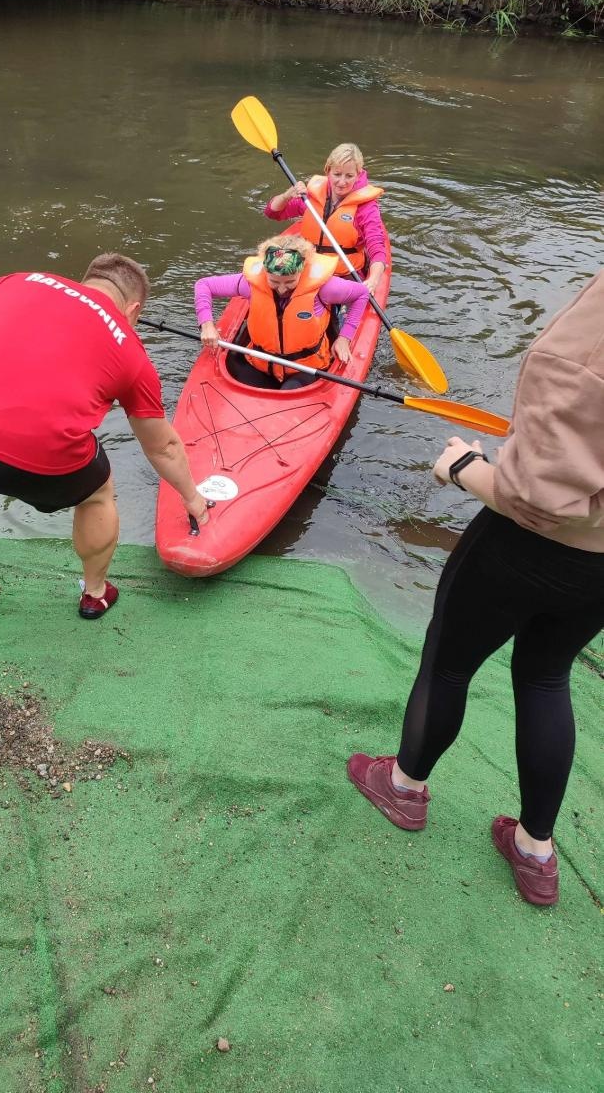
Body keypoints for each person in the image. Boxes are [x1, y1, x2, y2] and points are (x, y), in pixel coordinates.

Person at [347, 269, 604, 906]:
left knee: (448, 663)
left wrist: (465, 467)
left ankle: (404, 788)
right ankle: (536, 851)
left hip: (528, 548)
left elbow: (539, 503)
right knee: (546, 677)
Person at [0, 254, 209, 623]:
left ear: (86, 280)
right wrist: (193, 498)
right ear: (134, 309)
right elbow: (162, 446)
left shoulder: (15, 281)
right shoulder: (128, 345)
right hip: (45, 461)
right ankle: (94, 593)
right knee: (97, 493)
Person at [196, 235, 370, 390]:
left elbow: (362, 294)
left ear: (302, 269)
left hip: (306, 368)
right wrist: (207, 325)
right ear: (265, 271)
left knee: (290, 390)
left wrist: (344, 338)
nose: (281, 288)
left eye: (289, 282)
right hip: (259, 363)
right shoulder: (250, 283)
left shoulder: (325, 287)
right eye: (274, 281)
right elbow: (204, 285)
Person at [265, 143, 389, 297]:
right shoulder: (313, 195)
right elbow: (273, 212)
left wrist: (373, 280)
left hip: (344, 274)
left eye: (349, 176)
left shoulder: (366, 206)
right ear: (328, 171)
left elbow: (376, 246)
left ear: (358, 175)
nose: (342, 182)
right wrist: (286, 196)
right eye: (337, 174)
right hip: (306, 267)